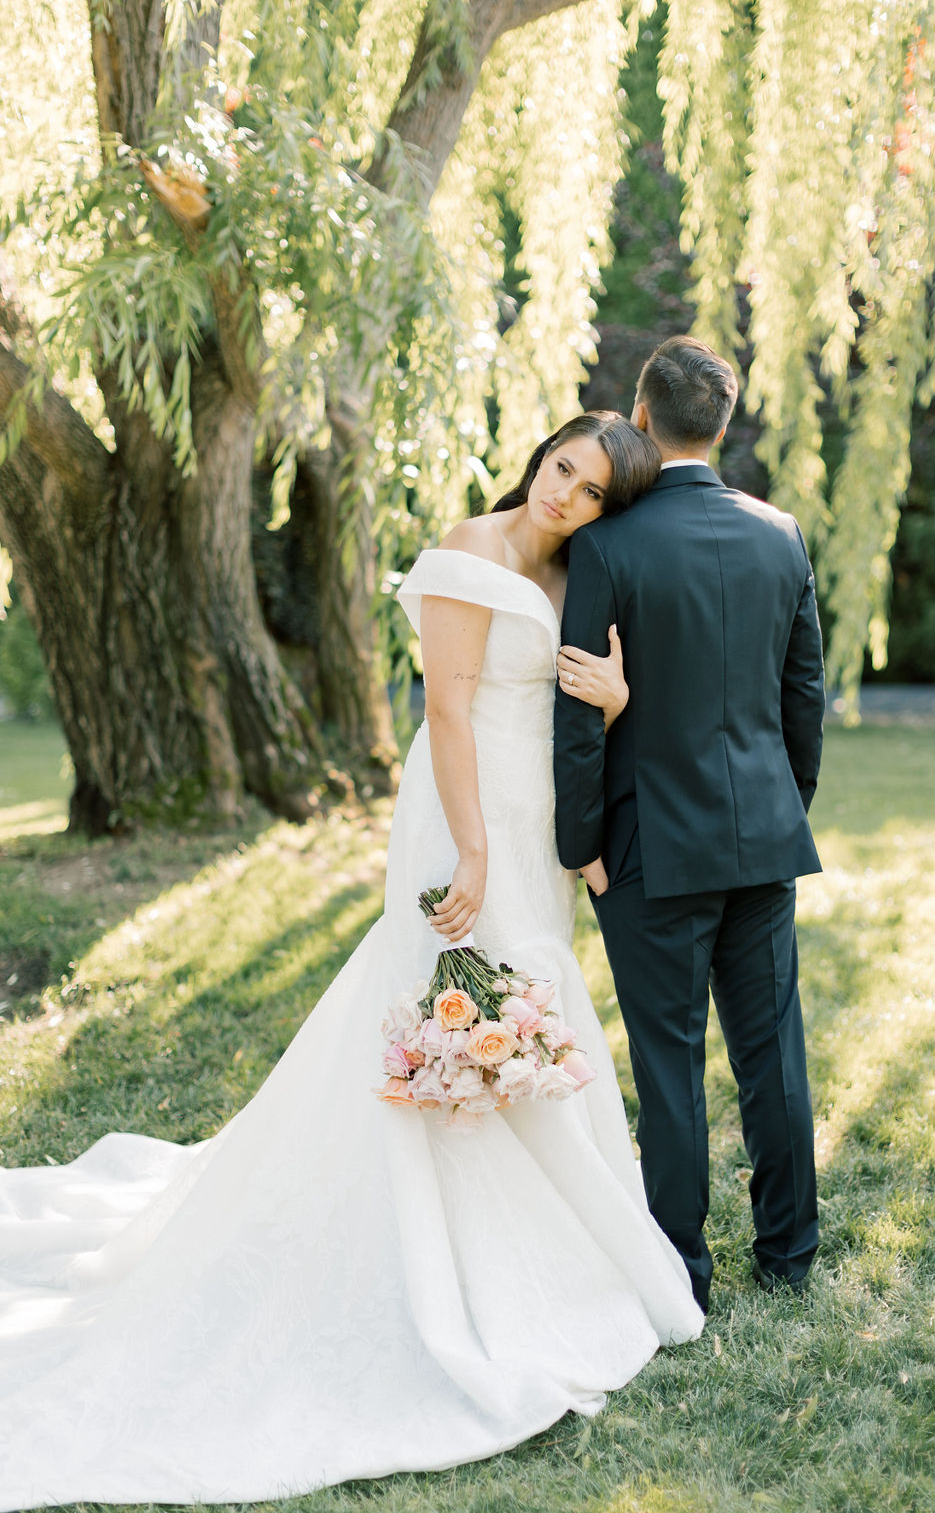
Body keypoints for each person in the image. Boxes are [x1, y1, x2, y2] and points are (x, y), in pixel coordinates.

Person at [0, 410, 704, 1513]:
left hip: (531, 819)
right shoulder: (470, 551)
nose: (564, 495)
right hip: (463, 806)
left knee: (527, 998)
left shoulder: (579, 572)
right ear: (542, 453)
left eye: (591, 493)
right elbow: (453, 709)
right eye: (562, 469)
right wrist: (469, 846)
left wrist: (613, 710)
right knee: (450, 985)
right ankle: (436, 1245)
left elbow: (579, 710)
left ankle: (554, 1238)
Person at [553, 338, 825, 1315]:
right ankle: (789, 1255)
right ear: (724, 419)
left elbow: (581, 710)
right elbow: (804, 698)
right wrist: (781, 803)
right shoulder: (780, 534)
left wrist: (578, 842)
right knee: (771, 1053)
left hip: (647, 844)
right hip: (760, 833)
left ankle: (680, 1274)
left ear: (637, 412)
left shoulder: (607, 544)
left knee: (668, 1062)